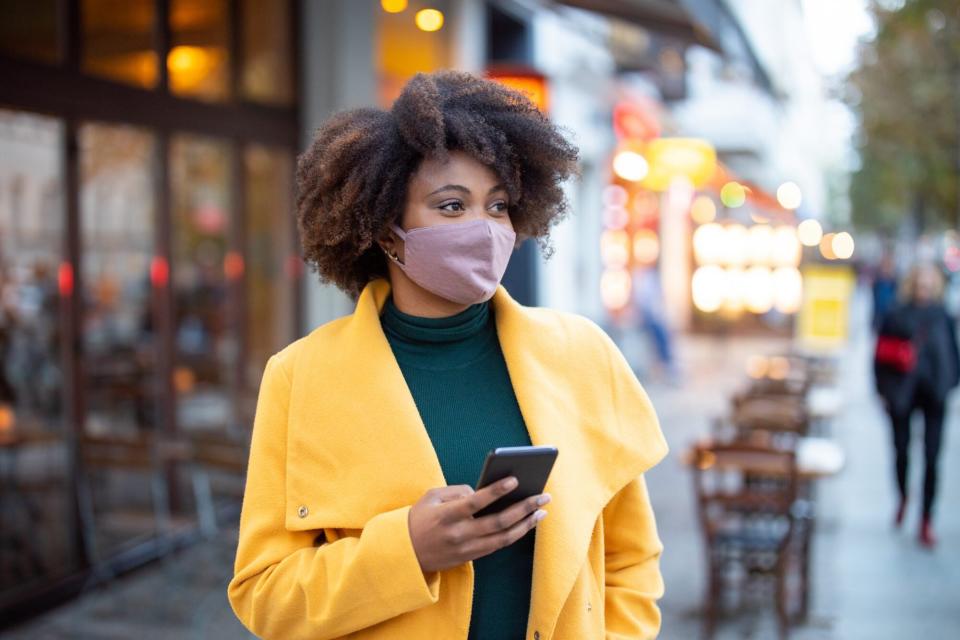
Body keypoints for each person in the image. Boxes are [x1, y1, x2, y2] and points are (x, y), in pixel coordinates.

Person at [226, 71, 669, 639]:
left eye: (499, 205)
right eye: (452, 206)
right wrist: (407, 550)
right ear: (387, 230)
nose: (485, 230)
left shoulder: (583, 356)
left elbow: (631, 560)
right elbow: (265, 595)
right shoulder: (300, 378)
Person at [874, 263, 959, 548]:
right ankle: (903, 495)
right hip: (902, 392)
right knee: (901, 450)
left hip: (934, 393)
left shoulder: (942, 315)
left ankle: (926, 518)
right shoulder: (897, 313)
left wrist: (949, 383)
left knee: (933, 457)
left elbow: (951, 352)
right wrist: (883, 390)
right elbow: (880, 355)